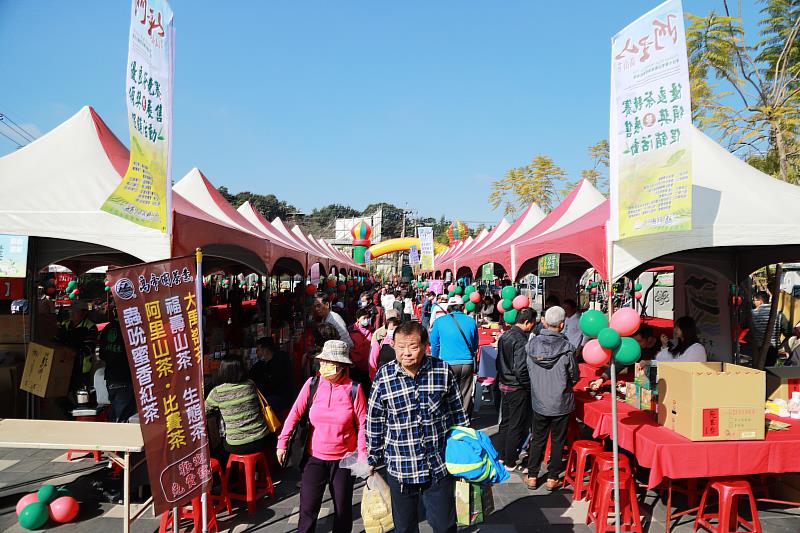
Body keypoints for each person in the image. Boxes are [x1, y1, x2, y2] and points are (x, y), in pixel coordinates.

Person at [367, 321, 467, 533]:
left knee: (445, 526)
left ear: (425, 345)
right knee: (404, 528)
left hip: (437, 467)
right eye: (401, 347)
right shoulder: (384, 376)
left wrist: (466, 451)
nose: (407, 353)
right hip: (400, 467)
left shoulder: (441, 370)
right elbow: (375, 420)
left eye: (413, 346)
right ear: (392, 345)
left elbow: (458, 414)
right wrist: (372, 457)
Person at [277, 340, 367, 533]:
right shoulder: (312, 385)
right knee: (308, 509)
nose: (324, 366)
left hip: (344, 460)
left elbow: (363, 425)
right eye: (322, 362)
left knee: (342, 510)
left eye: (330, 363)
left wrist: (363, 456)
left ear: (342, 366)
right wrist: (282, 442)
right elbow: (295, 413)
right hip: (314, 458)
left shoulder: (354, 389)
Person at [525, 306, 579, 491]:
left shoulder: (531, 345)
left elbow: (527, 370)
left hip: (539, 399)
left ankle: (532, 475)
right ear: (562, 325)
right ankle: (552, 477)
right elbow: (574, 375)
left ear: (545, 322)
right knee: (557, 440)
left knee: (538, 438)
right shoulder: (567, 349)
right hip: (560, 402)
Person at [495, 308, 536, 471]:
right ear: (526, 322)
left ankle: (502, 456)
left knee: (505, 422)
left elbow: (499, 361)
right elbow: (520, 368)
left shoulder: (505, 335)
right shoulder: (521, 340)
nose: (533, 326)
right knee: (515, 424)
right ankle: (510, 460)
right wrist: (527, 385)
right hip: (516, 386)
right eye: (532, 323)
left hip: (504, 383)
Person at [206, 358, 271, 454]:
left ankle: (235, 468)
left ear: (223, 372)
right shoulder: (250, 384)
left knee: (219, 448)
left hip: (236, 444)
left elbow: (204, 411)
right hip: (261, 439)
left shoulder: (217, 392)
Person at [430, 295, 479, 415]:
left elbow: (434, 344)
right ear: (462, 308)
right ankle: (464, 419)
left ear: (449, 308)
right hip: (467, 362)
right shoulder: (471, 321)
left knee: (447, 392)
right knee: (465, 393)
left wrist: (434, 360)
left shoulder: (439, 321)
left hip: (447, 363)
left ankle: (450, 417)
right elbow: (475, 344)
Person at [98, 306, 136, 423]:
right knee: (123, 418)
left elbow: (102, 354)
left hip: (112, 378)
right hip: (125, 378)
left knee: (117, 413)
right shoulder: (131, 329)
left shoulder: (107, 328)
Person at [56, 299, 98, 391]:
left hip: (82, 368)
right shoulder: (65, 324)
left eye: (75, 311)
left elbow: (89, 347)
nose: (71, 313)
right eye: (71, 311)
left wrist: (73, 350)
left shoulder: (90, 327)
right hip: (65, 366)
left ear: (83, 313)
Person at [248, 337, 293, 412]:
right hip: (273, 396)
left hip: (281, 397)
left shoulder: (280, 362)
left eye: (258, 349)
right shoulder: (262, 364)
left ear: (265, 350)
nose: (256, 352)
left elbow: (273, 384)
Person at [751, 291, 787, 367]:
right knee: (770, 370)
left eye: (754, 300)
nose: (754, 303)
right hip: (773, 349)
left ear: (760, 301)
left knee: (758, 370)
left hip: (757, 348)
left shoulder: (752, 314)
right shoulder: (779, 314)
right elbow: (788, 332)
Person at [349, 308, 373, 394]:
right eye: (364, 318)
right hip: (355, 367)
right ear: (358, 319)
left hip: (368, 367)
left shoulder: (372, 330)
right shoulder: (350, 331)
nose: (366, 320)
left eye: (367, 318)